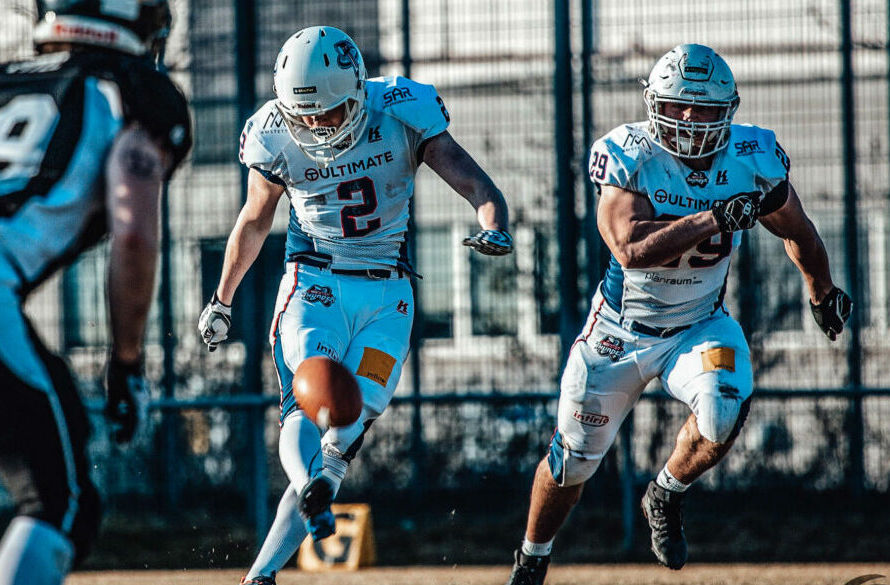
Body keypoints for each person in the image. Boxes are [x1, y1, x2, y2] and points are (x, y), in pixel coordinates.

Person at [505, 43, 852, 584]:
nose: (690, 118)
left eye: (704, 108)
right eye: (678, 105)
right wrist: (714, 217)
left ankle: (665, 493)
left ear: (727, 111)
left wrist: (821, 291)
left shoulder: (750, 158)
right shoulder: (631, 155)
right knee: (572, 461)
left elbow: (798, 231)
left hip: (699, 325)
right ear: (654, 104)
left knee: (723, 407)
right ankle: (532, 557)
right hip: (619, 333)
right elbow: (630, 248)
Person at [197, 25, 512, 585]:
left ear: (359, 92)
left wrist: (494, 223)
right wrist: (221, 298)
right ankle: (301, 506)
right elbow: (254, 219)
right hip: (315, 283)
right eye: (305, 116)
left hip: (389, 295)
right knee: (309, 395)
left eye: (329, 112)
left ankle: (266, 565)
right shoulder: (273, 132)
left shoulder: (402, 110)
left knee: (346, 428)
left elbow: (474, 182)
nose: (317, 126)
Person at [0, 1, 192, 584]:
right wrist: (126, 361)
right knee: (60, 504)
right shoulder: (129, 92)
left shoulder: (7, 78)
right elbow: (133, 231)